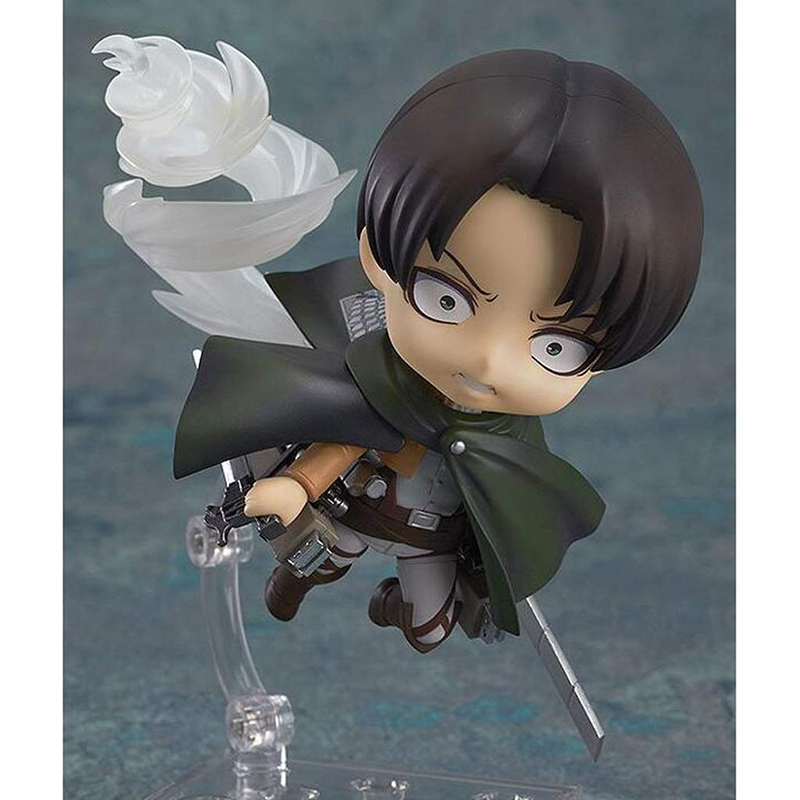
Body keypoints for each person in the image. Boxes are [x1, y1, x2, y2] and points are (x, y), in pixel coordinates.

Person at [174, 50, 703, 653]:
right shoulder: (377, 388)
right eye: (447, 298)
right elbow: (343, 438)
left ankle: (389, 606)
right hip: (359, 508)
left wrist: (496, 565)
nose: (487, 361)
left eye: (556, 346)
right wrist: (295, 485)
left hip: (430, 541)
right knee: (318, 561)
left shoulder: (514, 446)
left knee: (428, 630)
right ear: (379, 259)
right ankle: (292, 585)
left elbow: (513, 509)